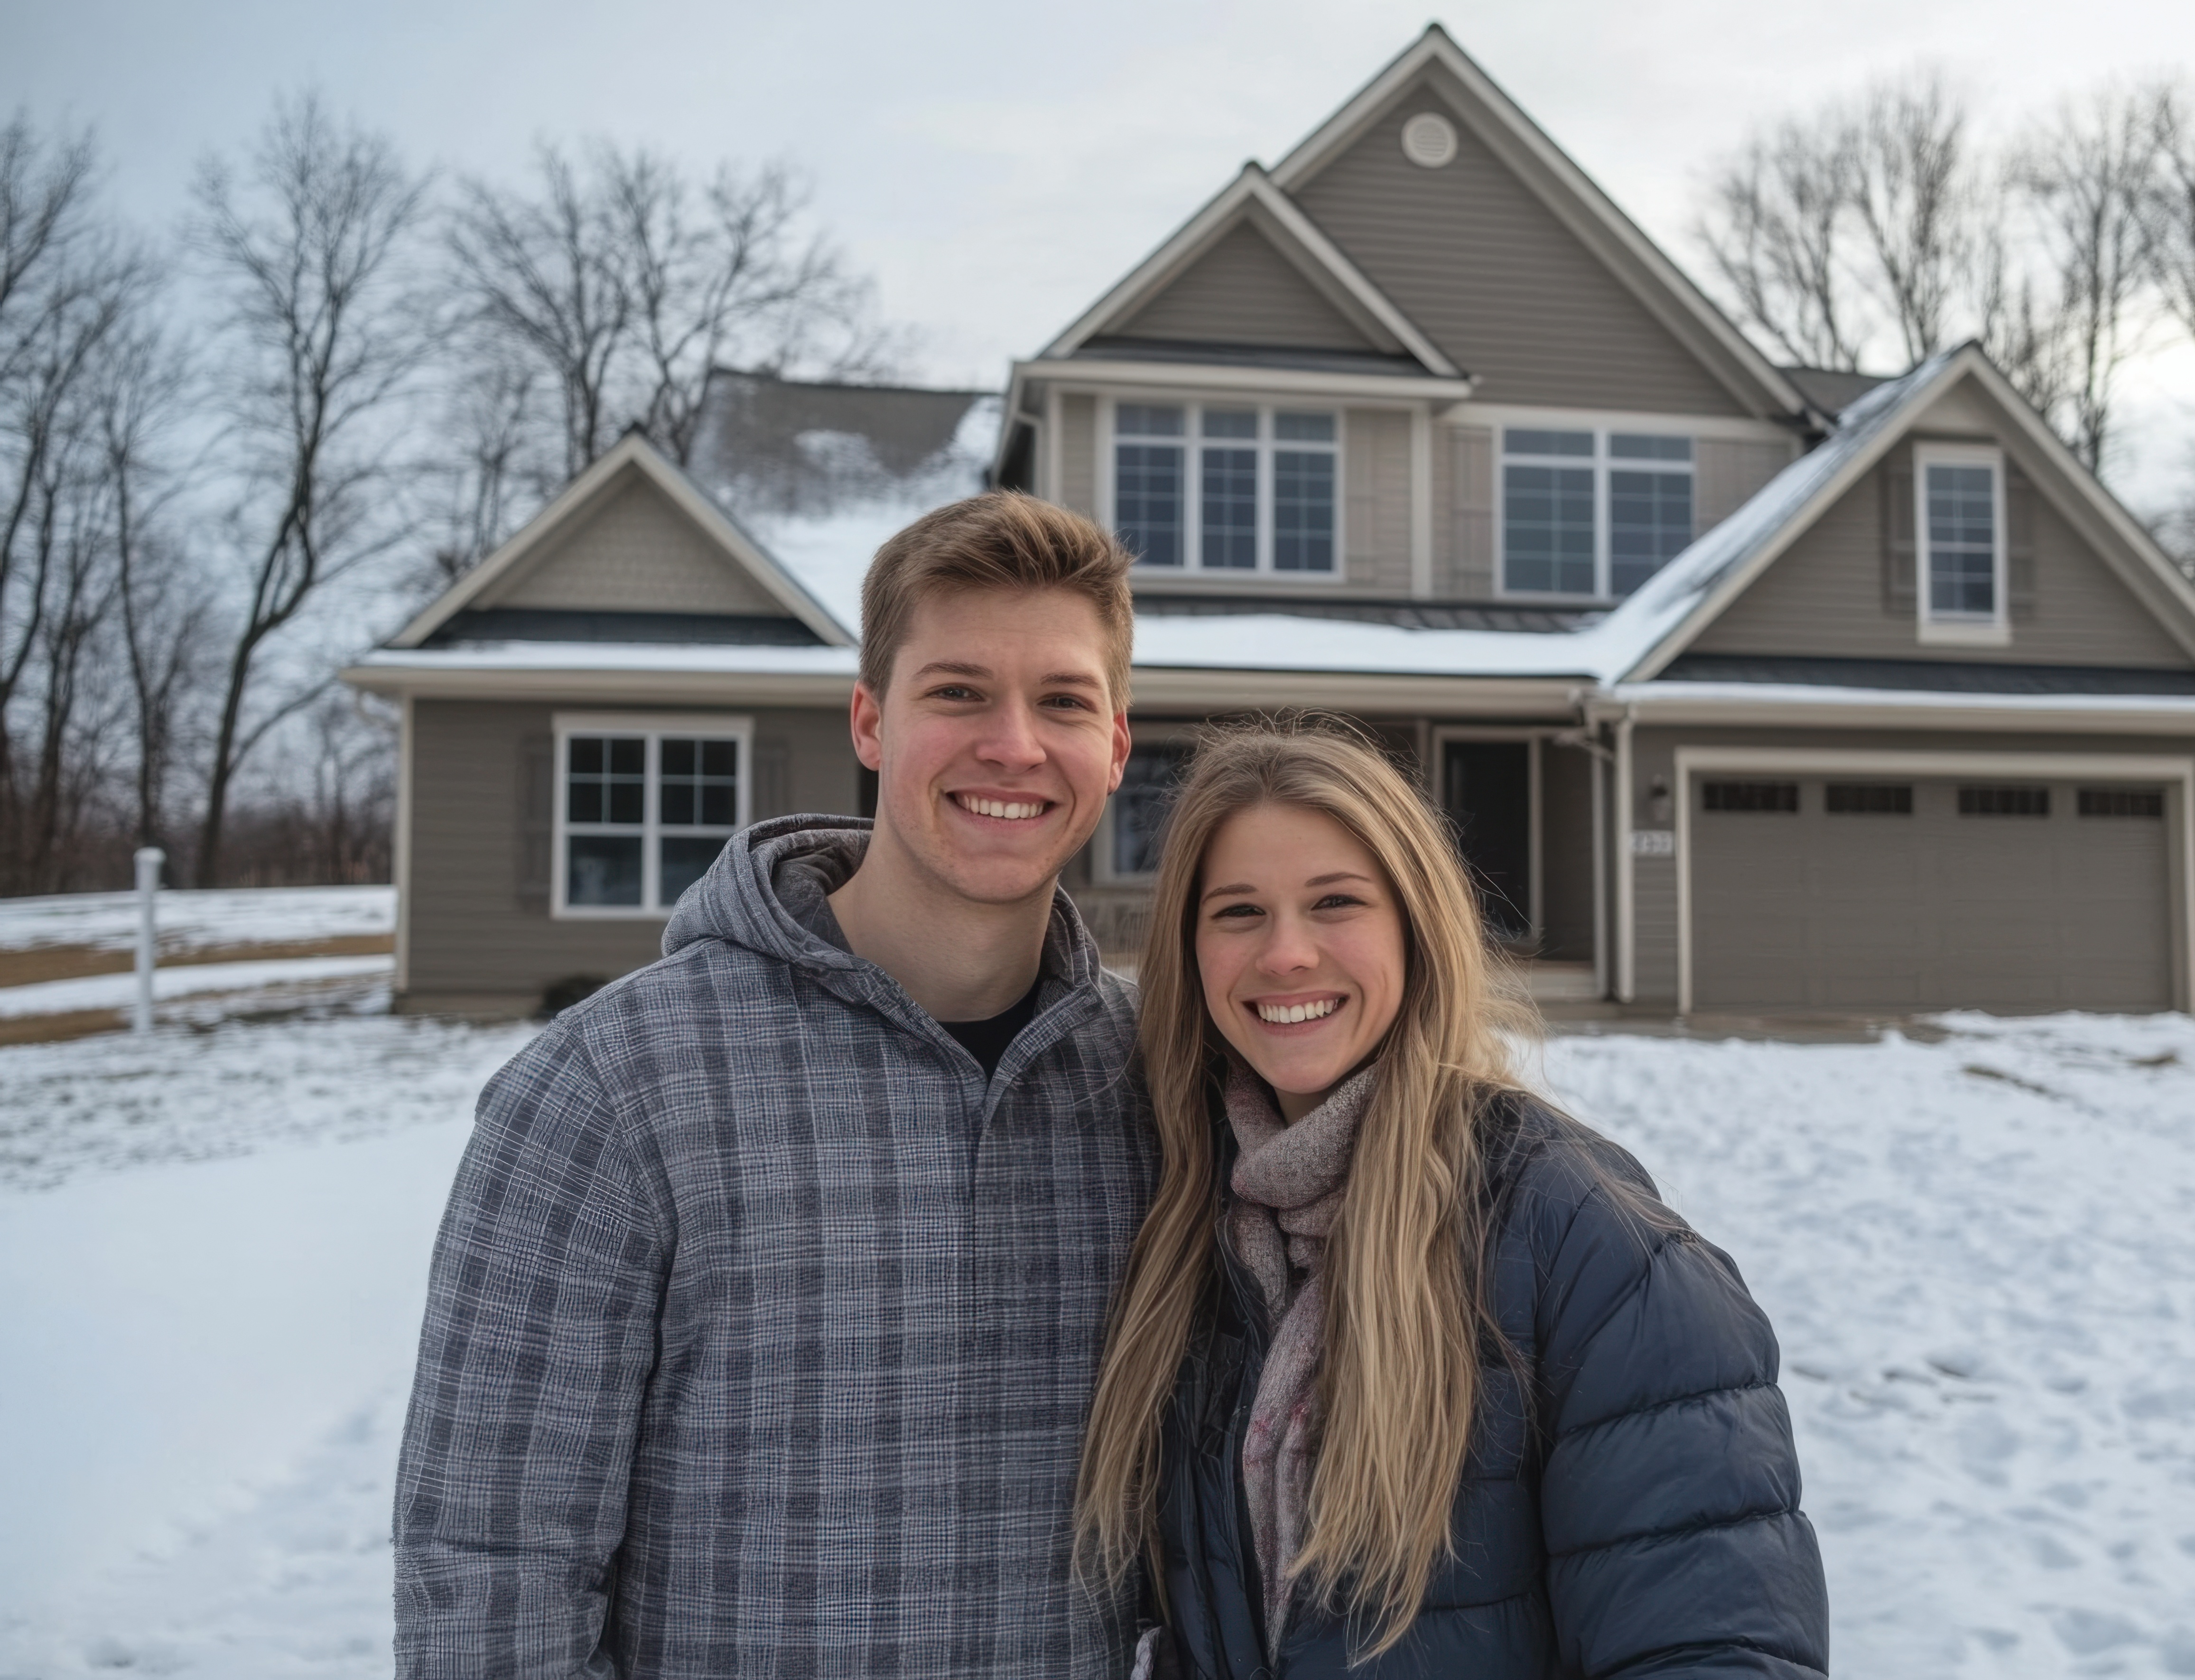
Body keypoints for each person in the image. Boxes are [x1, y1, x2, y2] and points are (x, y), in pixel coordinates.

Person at [395, 493, 1155, 1678]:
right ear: (869, 720)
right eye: (957, 691)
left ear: (1115, 745)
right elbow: (491, 1573)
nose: (1014, 743)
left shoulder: (1158, 1083)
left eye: (1063, 700)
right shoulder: (608, 1089)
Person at [1077, 722, 1830, 1678]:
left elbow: (1715, 1646)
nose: (1288, 954)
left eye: (1336, 901)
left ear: (1415, 922)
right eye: (1238, 912)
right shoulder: (1189, 1234)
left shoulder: (1589, 1245)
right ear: (1190, 949)